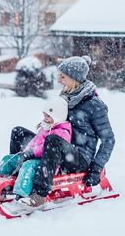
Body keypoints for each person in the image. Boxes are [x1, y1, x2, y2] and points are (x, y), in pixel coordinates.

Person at [17, 55, 115, 210]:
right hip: (56, 149)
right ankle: (17, 176)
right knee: (19, 133)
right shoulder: (65, 98)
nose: (59, 80)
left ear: (74, 78)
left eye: (62, 77)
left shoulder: (94, 105)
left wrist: (96, 168)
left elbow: (109, 139)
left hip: (79, 158)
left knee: (53, 140)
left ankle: (39, 194)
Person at [0, 97, 71, 198]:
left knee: (28, 166)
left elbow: (46, 148)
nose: (45, 118)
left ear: (58, 116)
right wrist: (26, 152)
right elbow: (34, 141)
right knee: (9, 159)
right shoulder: (45, 127)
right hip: (34, 156)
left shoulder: (63, 133)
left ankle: (22, 194)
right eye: (44, 115)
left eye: (48, 116)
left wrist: (32, 153)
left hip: (47, 164)